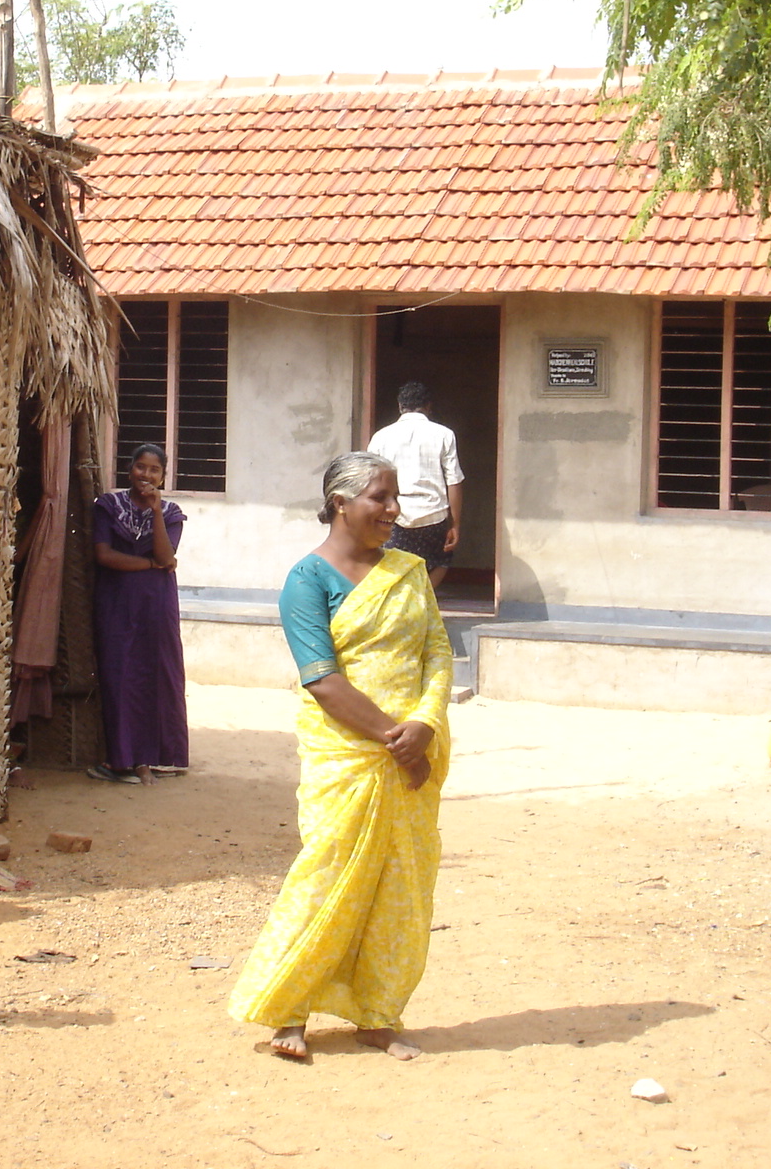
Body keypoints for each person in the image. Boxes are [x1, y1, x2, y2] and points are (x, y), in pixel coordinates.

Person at [228, 451, 453, 1062]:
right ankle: (288, 1010)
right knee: (327, 880)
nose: (394, 510)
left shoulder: (408, 570)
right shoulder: (307, 580)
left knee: (400, 887)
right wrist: (392, 737)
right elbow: (320, 678)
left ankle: (378, 1013)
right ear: (340, 504)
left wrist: (425, 725)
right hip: (350, 754)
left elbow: (437, 650)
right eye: (380, 497)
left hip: (414, 750)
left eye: (394, 496)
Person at [89, 442, 188, 784]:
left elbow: (166, 554)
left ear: (163, 476)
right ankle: (123, 760)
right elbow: (104, 556)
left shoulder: (172, 513)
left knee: (158, 674)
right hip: (116, 601)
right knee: (120, 674)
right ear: (129, 469)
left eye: (154, 470)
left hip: (156, 605)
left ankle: (161, 756)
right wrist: (149, 564)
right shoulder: (107, 505)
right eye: (140, 467)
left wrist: (156, 512)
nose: (146, 475)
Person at [368, 381, 465, 589]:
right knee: (442, 560)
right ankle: (422, 598)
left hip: (394, 515)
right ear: (428, 407)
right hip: (434, 516)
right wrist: (455, 525)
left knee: (390, 565)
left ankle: (401, 605)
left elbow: (369, 480)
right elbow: (454, 481)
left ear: (400, 406)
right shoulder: (444, 434)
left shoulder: (381, 437)